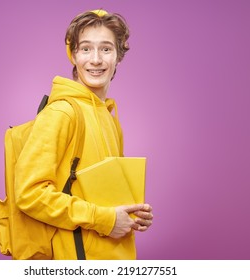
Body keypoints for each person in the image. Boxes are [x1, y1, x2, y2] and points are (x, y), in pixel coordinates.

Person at [14, 9, 153, 260]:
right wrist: (106, 219)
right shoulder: (62, 112)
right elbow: (29, 194)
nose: (96, 59)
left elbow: (103, 194)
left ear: (119, 57)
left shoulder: (108, 116)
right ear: (73, 55)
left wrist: (131, 214)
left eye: (106, 49)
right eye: (86, 49)